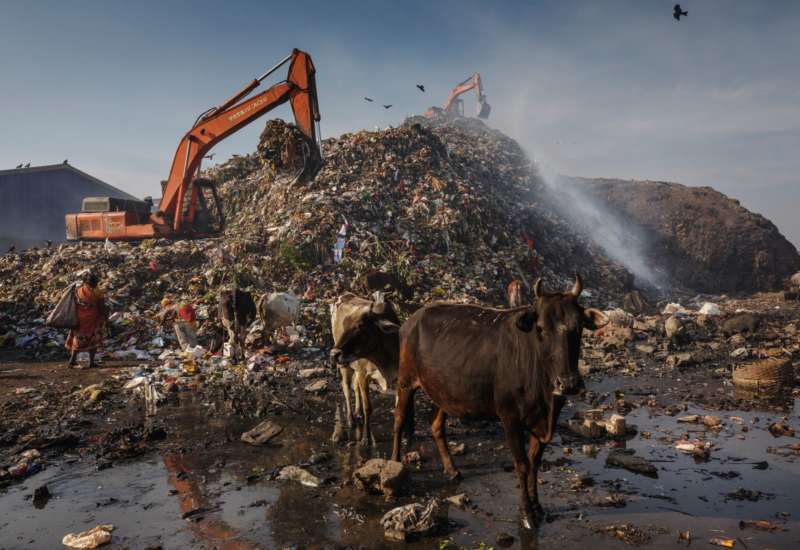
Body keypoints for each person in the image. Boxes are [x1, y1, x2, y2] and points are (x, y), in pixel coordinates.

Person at [66, 271, 108, 368]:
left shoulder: (78, 290)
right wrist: (105, 316)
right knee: (93, 338)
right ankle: (91, 362)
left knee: (77, 338)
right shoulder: (97, 292)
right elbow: (101, 306)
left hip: (79, 318)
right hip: (93, 318)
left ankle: (72, 360)